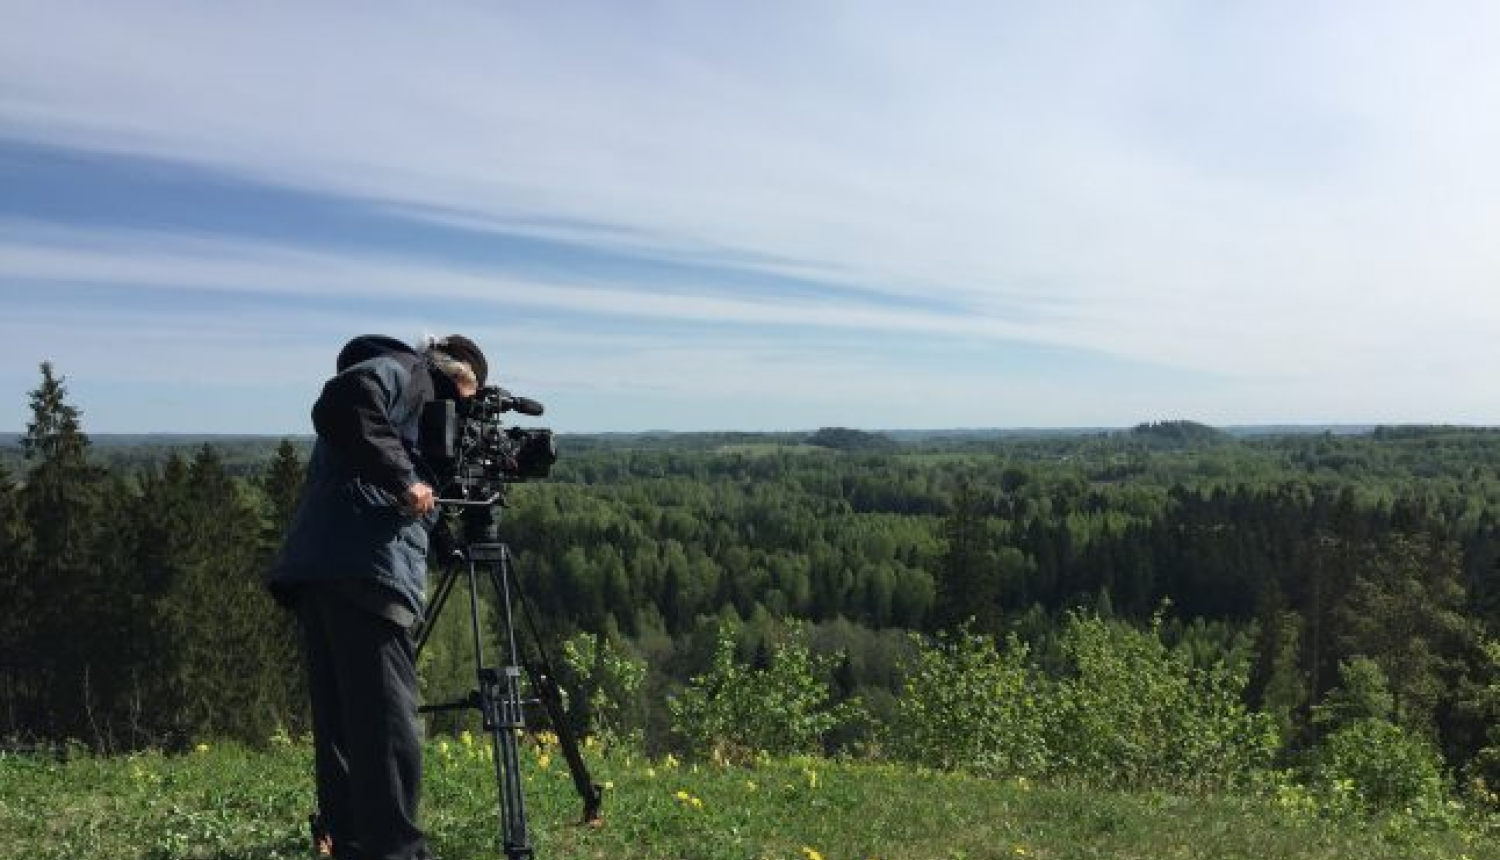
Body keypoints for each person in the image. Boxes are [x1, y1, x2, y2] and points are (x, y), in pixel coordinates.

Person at [269, 333, 489, 860]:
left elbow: (395, 468)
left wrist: (434, 517)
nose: (467, 411)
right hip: (365, 568)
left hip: (321, 566)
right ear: (457, 375)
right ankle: (398, 851)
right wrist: (404, 480)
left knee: (344, 721)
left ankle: (353, 842)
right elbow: (343, 402)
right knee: (386, 720)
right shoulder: (408, 372)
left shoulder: (404, 399)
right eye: (471, 396)